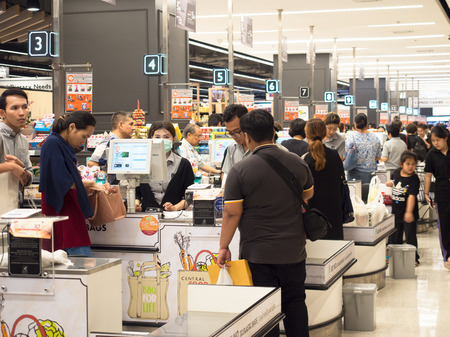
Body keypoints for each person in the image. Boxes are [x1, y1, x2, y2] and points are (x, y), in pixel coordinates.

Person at [217, 109, 314, 337]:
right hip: (293, 250)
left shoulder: (240, 170)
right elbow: (308, 195)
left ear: (247, 136)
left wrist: (224, 246)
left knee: (264, 309)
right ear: (273, 132)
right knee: (295, 302)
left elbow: (232, 213)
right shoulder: (297, 163)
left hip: (257, 253)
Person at [39, 112, 98, 257]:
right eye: (84, 136)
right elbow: (62, 181)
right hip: (61, 209)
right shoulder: (53, 143)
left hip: (66, 207)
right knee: (81, 262)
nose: (84, 142)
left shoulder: (60, 144)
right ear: (72, 127)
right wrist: (90, 183)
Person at [135, 121, 194, 212]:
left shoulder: (183, 164)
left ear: (173, 140)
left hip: (174, 219)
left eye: (166, 137)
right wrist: (136, 204)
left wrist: (175, 208)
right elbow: (137, 192)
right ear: (151, 138)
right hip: (146, 218)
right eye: (157, 137)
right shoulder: (142, 162)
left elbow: (189, 196)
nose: (161, 140)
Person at [303, 118, 344, 240]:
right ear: (323, 133)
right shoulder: (335, 156)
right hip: (335, 214)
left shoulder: (306, 160)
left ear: (307, 135)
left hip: (314, 219)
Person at [386, 151, 421, 265]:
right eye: (408, 164)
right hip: (396, 212)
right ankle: (391, 255)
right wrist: (391, 182)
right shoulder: (397, 172)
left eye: (413, 164)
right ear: (401, 164)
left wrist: (409, 212)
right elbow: (396, 181)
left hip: (409, 214)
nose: (411, 166)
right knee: (395, 235)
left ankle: (413, 257)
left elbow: (411, 196)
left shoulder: (414, 179)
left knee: (410, 236)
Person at [424, 124, 450, 269]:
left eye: (438, 140)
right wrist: (427, 194)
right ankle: (448, 255)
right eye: (433, 140)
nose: (435, 143)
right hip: (441, 191)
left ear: (445, 138)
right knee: (445, 225)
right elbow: (428, 176)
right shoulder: (431, 155)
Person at [0, 89, 33, 198]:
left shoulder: (23, 140)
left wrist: (23, 171)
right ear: (2, 113)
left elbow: (28, 176)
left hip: (15, 204)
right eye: (14, 108)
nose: (21, 113)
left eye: (24, 107)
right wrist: (9, 167)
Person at [344, 113, 381, 183]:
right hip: (371, 175)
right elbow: (378, 157)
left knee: (355, 194)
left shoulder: (351, 138)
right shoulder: (375, 138)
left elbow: (345, 156)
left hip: (354, 175)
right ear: (367, 123)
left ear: (355, 124)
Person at [221, 104, 250, 175]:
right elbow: (227, 175)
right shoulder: (232, 148)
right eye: (230, 133)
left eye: (236, 131)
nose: (234, 137)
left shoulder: (259, 148)